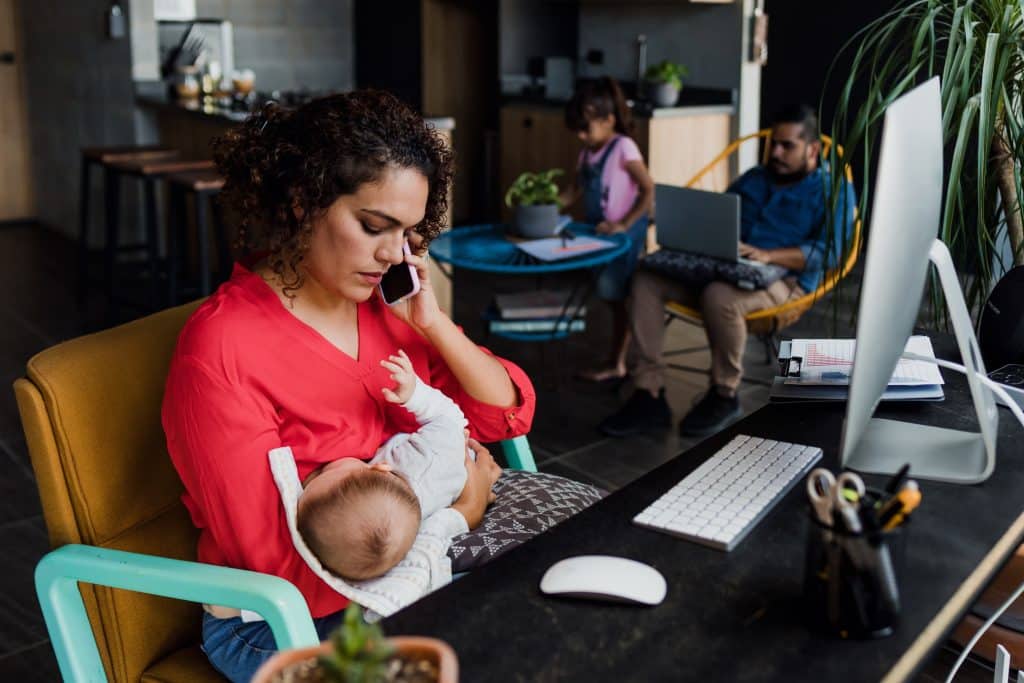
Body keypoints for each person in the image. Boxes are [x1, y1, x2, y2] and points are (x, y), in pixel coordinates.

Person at [161, 90, 537, 683]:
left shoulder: (383, 307)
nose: (393, 254)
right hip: (280, 621)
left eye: (408, 234)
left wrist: (435, 328)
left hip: (399, 573)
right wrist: (458, 512)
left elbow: (501, 417)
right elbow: (279, 565)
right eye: (373, 226)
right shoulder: (223, 350)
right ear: (300, 203)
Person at [599, 104, 857, 438]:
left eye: (787, 146)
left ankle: (724, 393)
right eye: (773, 144)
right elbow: (716, 216)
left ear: (813, 149)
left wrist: (768, 255)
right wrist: (686, 229)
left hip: (785, 281)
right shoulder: (755, 177)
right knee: (646, 280)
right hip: (724, 267)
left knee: (719, 295)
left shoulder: (832, 189)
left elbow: (830, 252)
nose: (775, 152)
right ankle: (649, 394)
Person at [297, 349, 481, 581]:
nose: (323, 468)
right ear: (380, 468)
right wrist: (416, 395)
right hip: (456, 452)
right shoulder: (428, 455)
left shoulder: (395, 515)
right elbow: (453, 421)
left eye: (324, 471)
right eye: (328, 471)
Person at [560, 77, 655, 383]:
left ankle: (619, 362)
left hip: (624, 236)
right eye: (577, 129)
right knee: (610, 297)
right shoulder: (588, 152)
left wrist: (624, 224)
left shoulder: (623, 147)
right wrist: (545, 207)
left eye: (586, 128)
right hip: (600, 233)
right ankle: (618, 356)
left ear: (608, 120)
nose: (580, 135)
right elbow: (574, 189)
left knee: (619, 297)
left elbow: (648, 189)